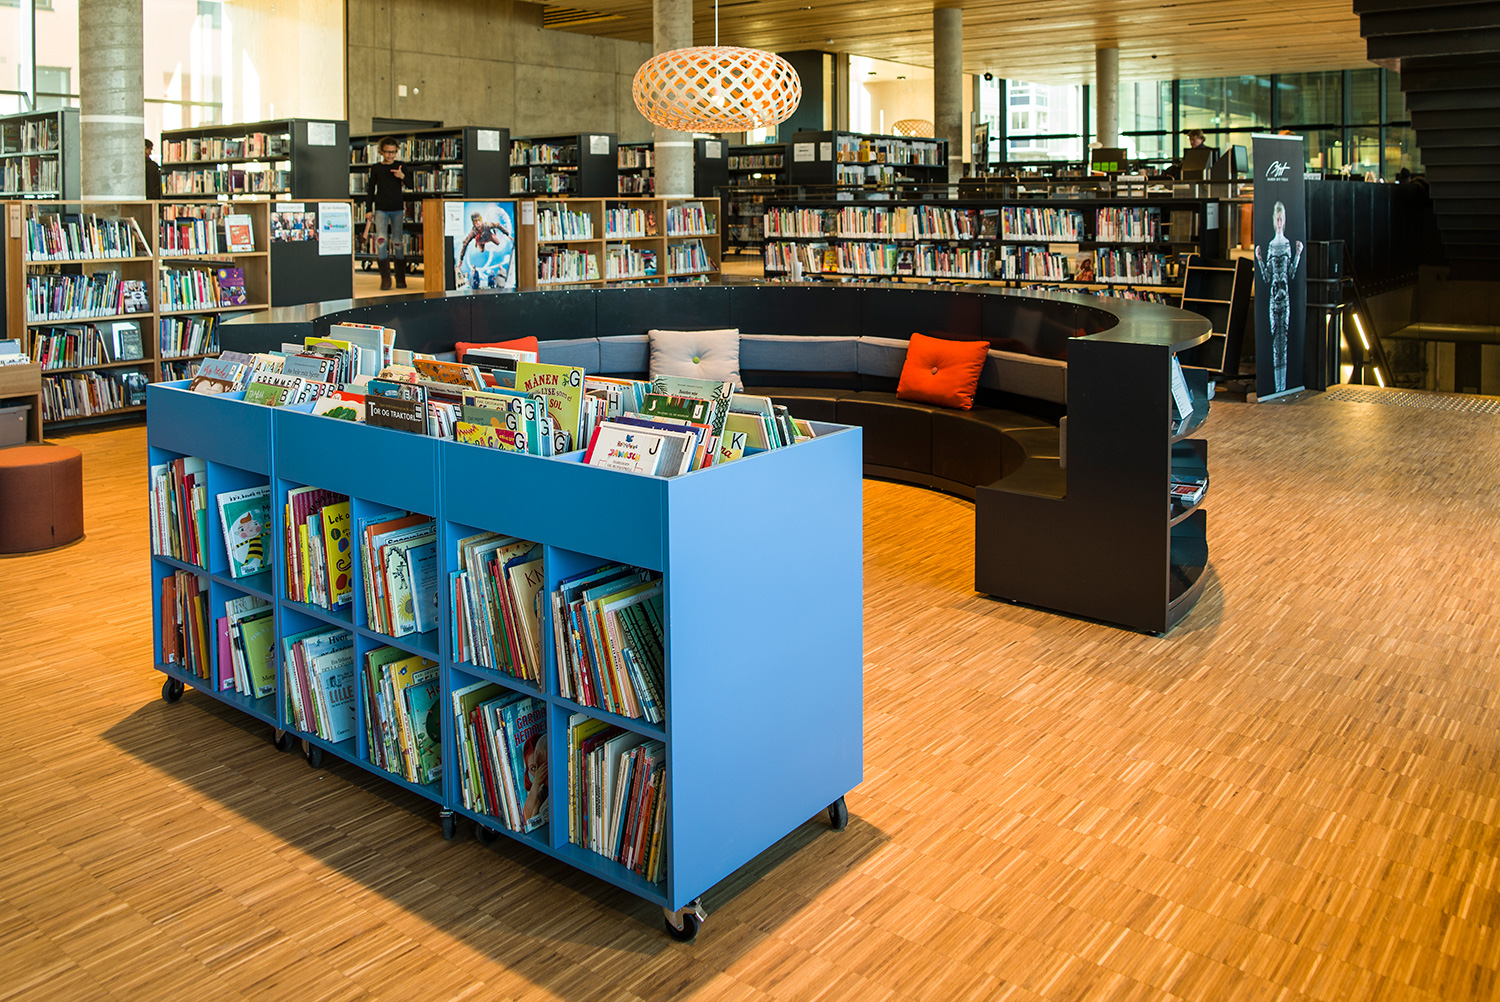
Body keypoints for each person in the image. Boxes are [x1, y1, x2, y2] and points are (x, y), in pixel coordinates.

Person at [1254, 200, 1304, 395]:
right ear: (1274, 221)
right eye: (1277, 219)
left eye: (1282, 219)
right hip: (1273, 300)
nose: (1280, 222)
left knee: (1284, 338)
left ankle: (1282, 387)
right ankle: (1277, 387)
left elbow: (1291, 273)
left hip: (1286, 299)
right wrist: (1259, 259)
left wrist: (1298, 254)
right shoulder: (1271, 245)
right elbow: (1266, 277)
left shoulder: (1288, 244)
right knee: (1276, 339)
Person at [362, 137, 410, 289]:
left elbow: (411, 184)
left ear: (397, 152)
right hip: (381, 208)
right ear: (381, 152)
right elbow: (371, 190)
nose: (390, 155)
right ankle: (385, 278)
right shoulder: (376, 168)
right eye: (387, 152)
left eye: (393, 152)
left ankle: (400, 278)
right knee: (381, 240)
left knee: (398, 241)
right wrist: (368, 209)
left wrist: (402, 177)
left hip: (397, 208)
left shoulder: (400, 166)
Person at [456, 209, 514, 290]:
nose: (478, 223)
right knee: (481, 250)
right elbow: (465, 244)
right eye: (475, 221)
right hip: (481, 242)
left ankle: (493, 234)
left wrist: (507, 234)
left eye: (479, 220)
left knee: (498, 242)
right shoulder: (473, 232)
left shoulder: (487, 225)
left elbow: (498, 225)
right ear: (473, 223)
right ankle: (480, 244)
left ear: (481, 219)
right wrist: (461, 259)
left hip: (489, 237)